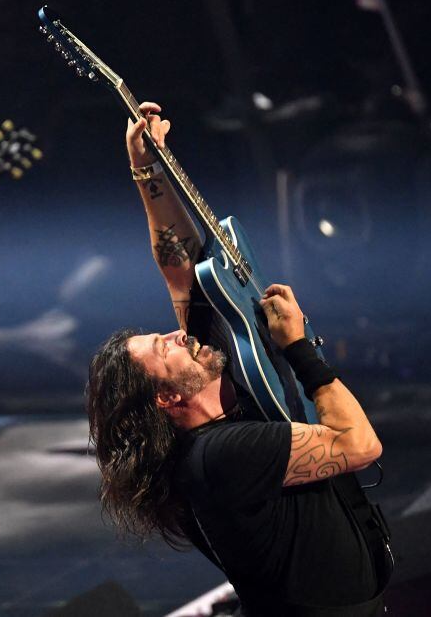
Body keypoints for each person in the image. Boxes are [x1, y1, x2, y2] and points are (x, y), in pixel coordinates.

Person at [86, 102, 391, 615]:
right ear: (166, 398)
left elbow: (182, 270)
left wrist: (146, 168)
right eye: (163, 348)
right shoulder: (221, 454)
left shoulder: (234, 399)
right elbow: (358, 444)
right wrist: (300, 349)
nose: (177, 335)